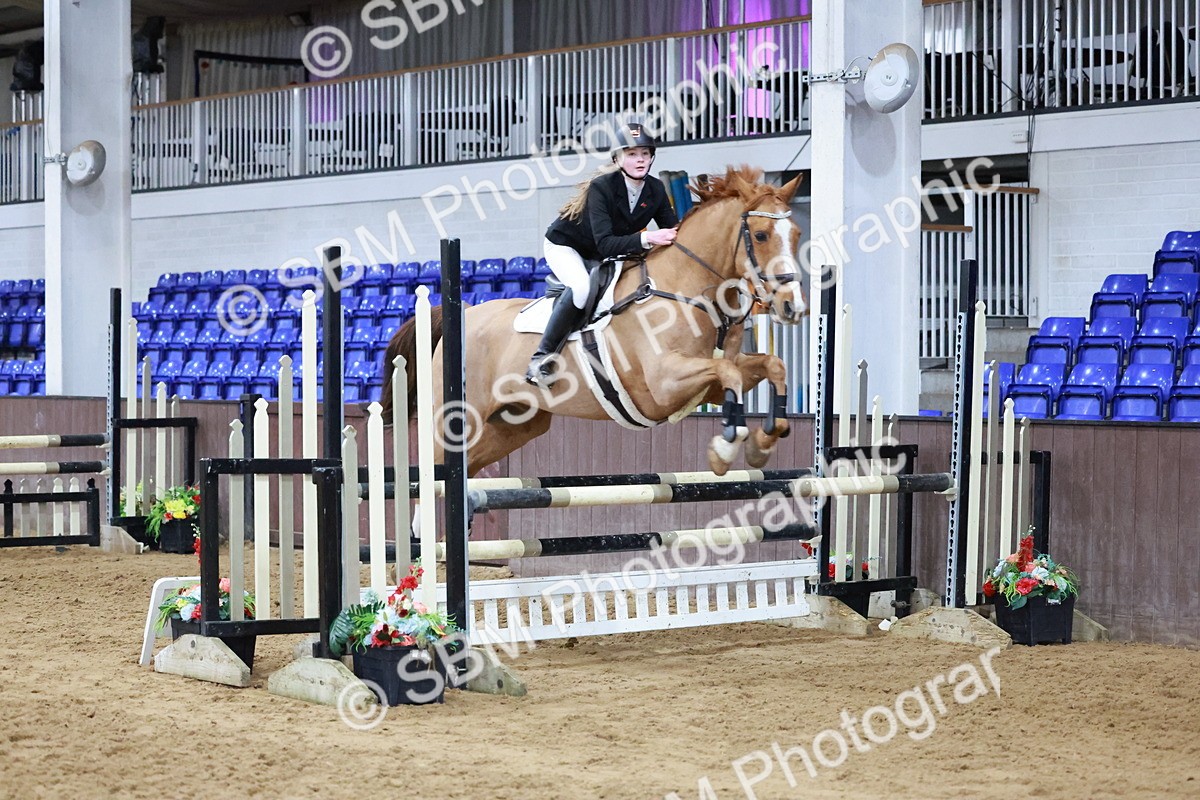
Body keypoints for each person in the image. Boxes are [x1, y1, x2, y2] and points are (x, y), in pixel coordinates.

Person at [525, 121, 679, 385]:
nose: (640, 160)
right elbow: (606, 244)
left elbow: (674, 230)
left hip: (603, 251)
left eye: (645, 154)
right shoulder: (602, 187)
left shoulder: (655, 189)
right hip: (567, 246)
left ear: (652, 157)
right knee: (582, 288)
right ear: (618, 159)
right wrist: (648, 237)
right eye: (631, 154)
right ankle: (541, 358)